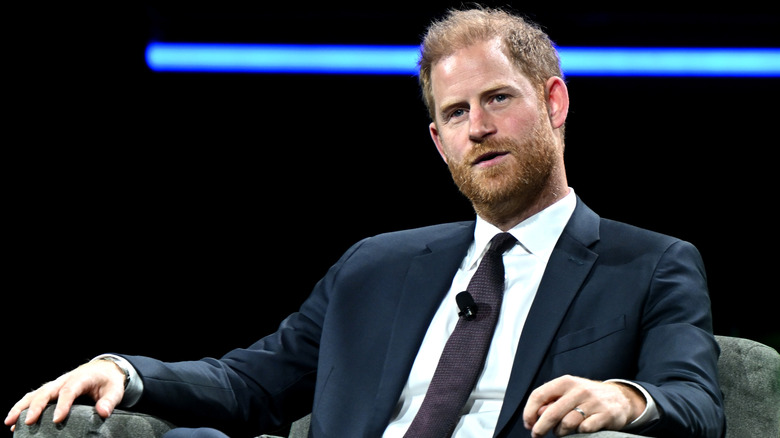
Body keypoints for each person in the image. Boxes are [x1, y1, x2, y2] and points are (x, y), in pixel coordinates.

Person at [5, 6, 725, 438]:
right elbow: (250, 383)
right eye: (454, 113)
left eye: (499, 99)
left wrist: (624, 397)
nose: (478, 128)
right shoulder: (375, 266)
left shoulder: (650, 263)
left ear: (556, 103)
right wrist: (123, 370)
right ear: (437, 141)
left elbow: (696, 400)